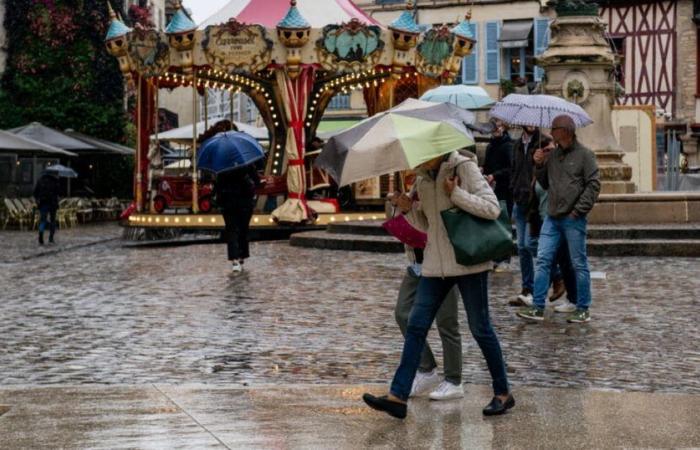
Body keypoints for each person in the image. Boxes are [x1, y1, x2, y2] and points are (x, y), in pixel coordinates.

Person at [362, 150, 513, 419]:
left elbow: (492, 208)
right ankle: (398, 396)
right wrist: (408, 209)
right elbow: (428, 225)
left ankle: (503, 393)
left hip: (467, 262)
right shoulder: (422, 179)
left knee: (481, 329)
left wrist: (456, 194)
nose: (413, 161)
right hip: (435, 265)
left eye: (418, 156)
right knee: (416, 325)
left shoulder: (463, 167)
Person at [517, 115, 601, 323]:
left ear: (565, 131)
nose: (551, 131)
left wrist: (578, 210)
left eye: (554, 128)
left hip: (573, 218)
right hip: (552, 218)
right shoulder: (553, 156)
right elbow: (545, 183)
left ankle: (583, 307)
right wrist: (538, 164)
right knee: (543, 259)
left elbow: (593, 185)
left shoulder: (585, 155)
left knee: (578, 263)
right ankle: (537, 306)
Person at [388, 191, 464, 401]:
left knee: (446, 321)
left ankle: (454, 379)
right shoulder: (414, 186)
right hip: (416, 263)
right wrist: (398, 205)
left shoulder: (440, 182)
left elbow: (436, 221)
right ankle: (426, 368)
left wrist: (414, 207)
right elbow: (398, 225)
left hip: (441, 263)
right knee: (403, 313)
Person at [510, 125, 543, 305]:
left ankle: (554, 276)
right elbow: (514, 170)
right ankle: (527, 288)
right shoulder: (516, 145)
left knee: (531, 244)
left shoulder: (543, 142)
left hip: (534, 203)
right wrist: (513, 189)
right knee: (522, 247)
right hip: (519, 199)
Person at [482, 119, 513, 272]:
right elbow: (487, 166)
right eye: (494, 126)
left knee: (503, 225)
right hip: (491, 190)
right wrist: (484, 172)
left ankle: (505, 259)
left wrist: (495, 175)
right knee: (492, 225)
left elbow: (510, 169)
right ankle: (494, 257)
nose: (496, 129)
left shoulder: (509, 146)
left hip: (505, 190)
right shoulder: (489, 146)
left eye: (499, 126)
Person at [33, 171, 60, 245]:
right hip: (52, 204)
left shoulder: (40, 181)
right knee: (52, 221)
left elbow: (35, 193)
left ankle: (41, 234)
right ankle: (51, 238)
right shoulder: (55, 181)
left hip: (43, 203)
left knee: (43, 220)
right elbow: (58, 192)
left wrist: (37, 200)